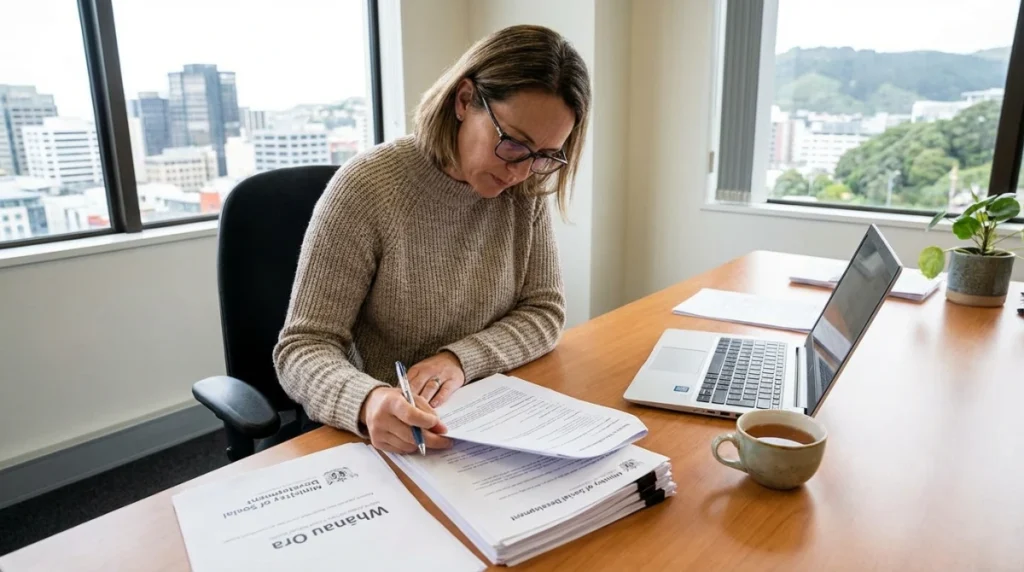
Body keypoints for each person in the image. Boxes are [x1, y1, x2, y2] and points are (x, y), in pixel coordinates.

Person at [273, 24, 591, 454]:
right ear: (464, 101)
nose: (520, 172)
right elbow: (302, 348)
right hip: (392, 433)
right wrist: (367, 401)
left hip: (483, 416)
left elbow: (543, 312)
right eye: (515, 144)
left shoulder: (523, 193)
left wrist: (458, 360)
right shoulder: (367, 188)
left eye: (544, 156)